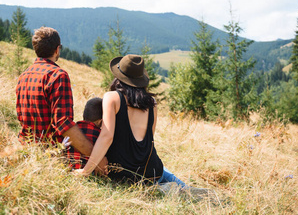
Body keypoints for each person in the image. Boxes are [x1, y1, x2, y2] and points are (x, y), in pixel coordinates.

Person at [74, 54, 187, 187]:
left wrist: (86, 171)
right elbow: (148, 142)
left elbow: (106, 137)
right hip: (150, 171)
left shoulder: (112, 98)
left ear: (118, 77)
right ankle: (186, 189)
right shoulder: (152, 103)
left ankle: (178, 188)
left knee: (165, 175)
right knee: (168, 176)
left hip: (121, 173)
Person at [15, 27, 107, 175]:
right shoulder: (58, 76)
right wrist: (96, 157)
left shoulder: (24, 75)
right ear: (57, 49)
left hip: (26, 151)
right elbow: (63, 124)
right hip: (52, 157)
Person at [65, 97, 103, 169]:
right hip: (90, 172)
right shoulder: (100, 135)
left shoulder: (73, 131)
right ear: (100, 121)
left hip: (68, 170)